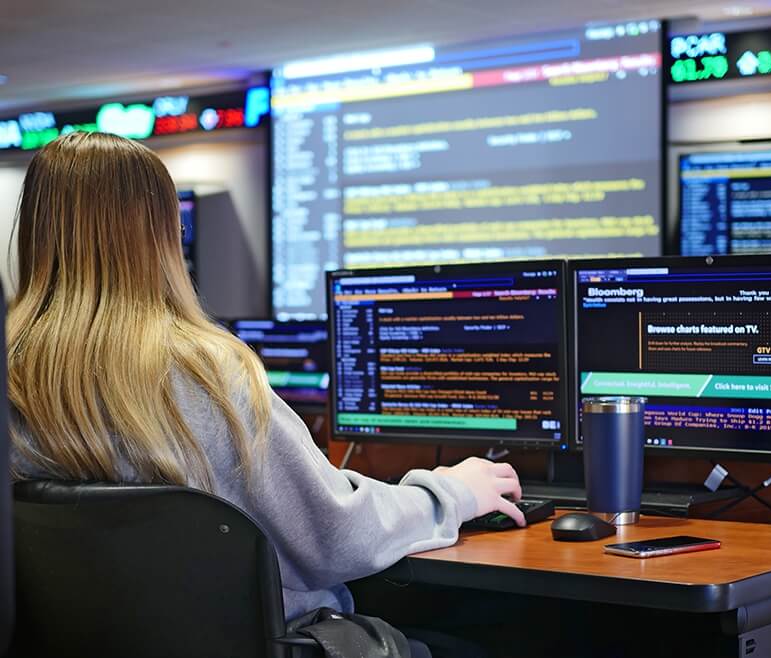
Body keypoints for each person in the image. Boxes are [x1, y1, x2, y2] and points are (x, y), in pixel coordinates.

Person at [6, 132, 525, 630]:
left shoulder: (13, 374)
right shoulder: (205, 374)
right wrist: (452, 494)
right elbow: (336, 533)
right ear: (160, 234)